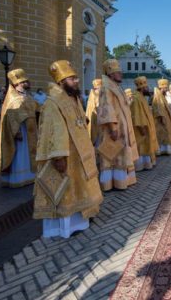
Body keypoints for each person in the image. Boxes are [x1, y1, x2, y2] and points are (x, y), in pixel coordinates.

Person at [34, 60, 103, 238]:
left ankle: (82, 219)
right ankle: (65, 227)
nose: (77, 81)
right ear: (61, 81)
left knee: (80, 189)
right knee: (66, 192)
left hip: (80, 154)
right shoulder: (53, 103)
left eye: (76, 77)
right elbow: (54, 130)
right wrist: (59, 157)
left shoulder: (73, 99)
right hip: (66, 155)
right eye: (72, 78)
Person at [97, 60, 139, 191]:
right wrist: (113, 128)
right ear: (110, 73)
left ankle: (121, 181)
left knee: (121, 154)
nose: (121, 74)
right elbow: (106, 108)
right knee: (112, 155)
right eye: (117, 72)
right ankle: (109, 184)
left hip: (122, 126)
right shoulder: (106, 87)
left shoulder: (116, 86)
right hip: (114, 128)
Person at [0, 69, 39, 188]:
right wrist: (17, 131)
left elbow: (36, 109)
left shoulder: (28, 96)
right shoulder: (13, 99)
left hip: (31, 130)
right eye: (25, 81)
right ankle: (18, 178)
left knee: (28, 154)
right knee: (20, 154)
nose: (28, 83)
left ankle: (29, 176)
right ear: (17, 84)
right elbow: (11, 116)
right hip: (21, 131)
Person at [130, 76, 159, 171]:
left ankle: (147, 164)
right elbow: (136, 115)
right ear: (142, 88)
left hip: (146, 127)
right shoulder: (136, 98)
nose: (148, 89)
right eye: (146, 87)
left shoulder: (141, 97)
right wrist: (142, 129)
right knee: (141, 147)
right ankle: (140, 166)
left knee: (146, 147)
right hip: (141, 128)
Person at [152, 79, 171, 156]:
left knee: (165, 134)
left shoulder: (162, 95)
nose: (166, 90)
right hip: (160, 120)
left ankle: (165, 150)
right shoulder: (157, 95)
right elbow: (157, 107)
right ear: (162, 88)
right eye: (166, 88)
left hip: (165, 118)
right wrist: (162, 117)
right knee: (161, 134)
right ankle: (161, 150)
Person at [85, 78, 102, 146]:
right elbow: (98, 107)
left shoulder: (93, 93)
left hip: (94, 120)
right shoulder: (96, 95)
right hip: (97, 122)